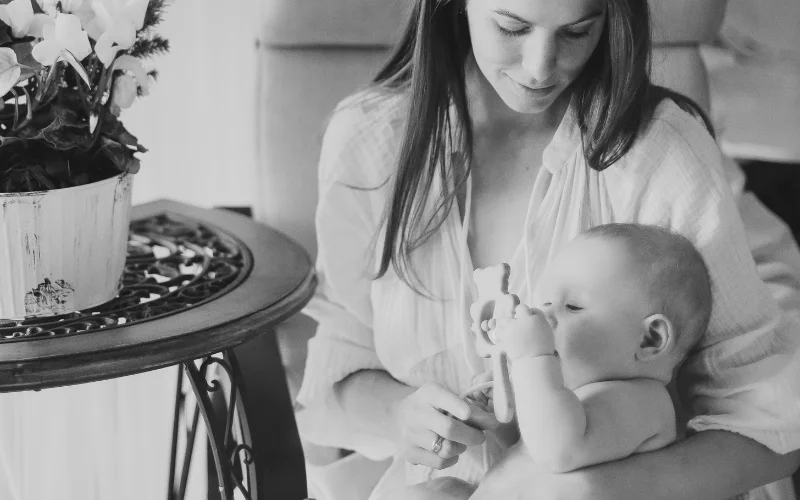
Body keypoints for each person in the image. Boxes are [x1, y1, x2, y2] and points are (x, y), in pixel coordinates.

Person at [295, 0, 800, 498]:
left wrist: (596, 488)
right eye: (511, 27)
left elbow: (770, 417)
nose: (540, 68)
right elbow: (343, 348)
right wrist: (399, 412)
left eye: (577, 31)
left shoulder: (659, 150)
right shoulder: (369, 140)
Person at [394, 223, 713, 499]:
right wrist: (500, 422)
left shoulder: (642, 402)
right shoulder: (572, 396)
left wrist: (533, 358)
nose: (543, 315)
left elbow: (558, 451)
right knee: (438, 492)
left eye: (572, 306)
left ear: (650, 340)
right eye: (545, 302)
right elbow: (531, 447)